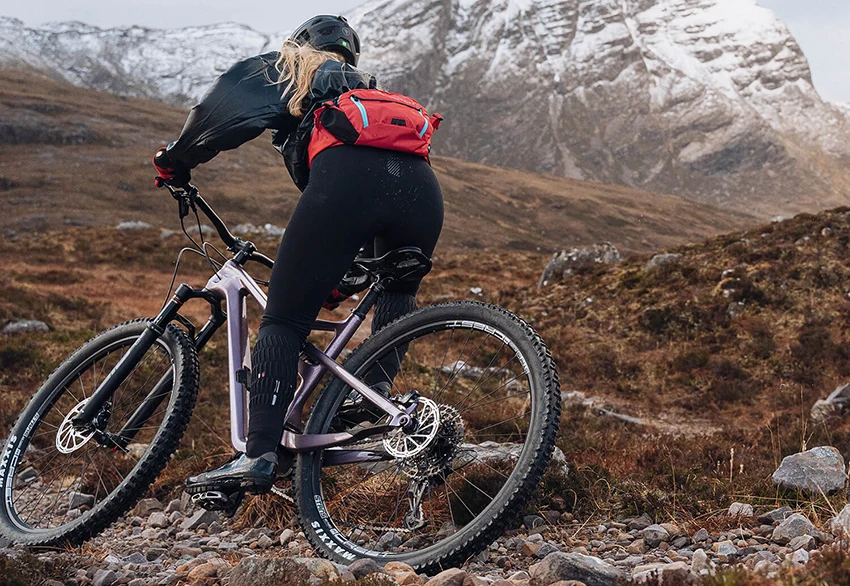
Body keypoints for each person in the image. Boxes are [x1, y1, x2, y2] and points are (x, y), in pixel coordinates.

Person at [152, 15, 444, 496]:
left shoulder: (290, 66)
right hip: (422, 194)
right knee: (395, 291)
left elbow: (219, 112)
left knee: (284, 322)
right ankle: (374, 395)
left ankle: (259, 454)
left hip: (348, 187)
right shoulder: (368, 94)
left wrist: (175, 161)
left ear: (301, 44)